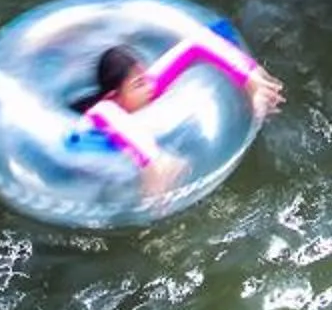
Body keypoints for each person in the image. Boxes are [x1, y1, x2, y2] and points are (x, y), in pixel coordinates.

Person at [81, 32, 285, 200]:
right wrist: (153, 159)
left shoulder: (147, 87)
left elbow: (197, 42)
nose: (149, 85)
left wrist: (250, 78)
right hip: (93, 176)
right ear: (114, 96)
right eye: (138, 84)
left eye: (145, 76)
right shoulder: (99, 113)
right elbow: (103, 112)